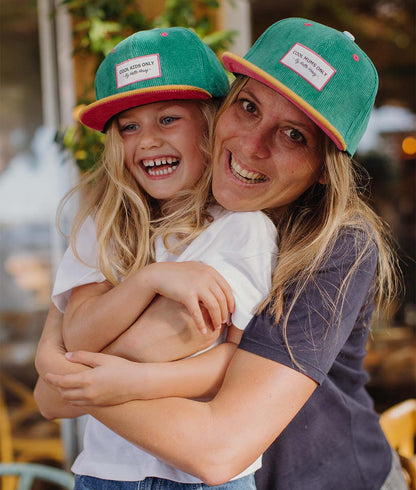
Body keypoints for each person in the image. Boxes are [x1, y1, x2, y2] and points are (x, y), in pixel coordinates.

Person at [34, 18, 407, 490]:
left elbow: (216, 451)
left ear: (324, 170)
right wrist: (55, 354)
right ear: (220, 108)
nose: (252, 146)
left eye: (294, 135)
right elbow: (60, 369)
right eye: (248, 107)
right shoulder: (140, 217)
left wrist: (71, 373)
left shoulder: (336, 245)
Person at [36, 26, 278, 488]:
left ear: (211, 124)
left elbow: (235, 360)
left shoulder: (241, 227)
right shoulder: (103, 222)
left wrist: (85, 377)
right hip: (105, 475)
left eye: (168, 119)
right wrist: (152, 280)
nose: (146, 140)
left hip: (200, 476)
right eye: (129, 126)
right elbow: (82, 332)